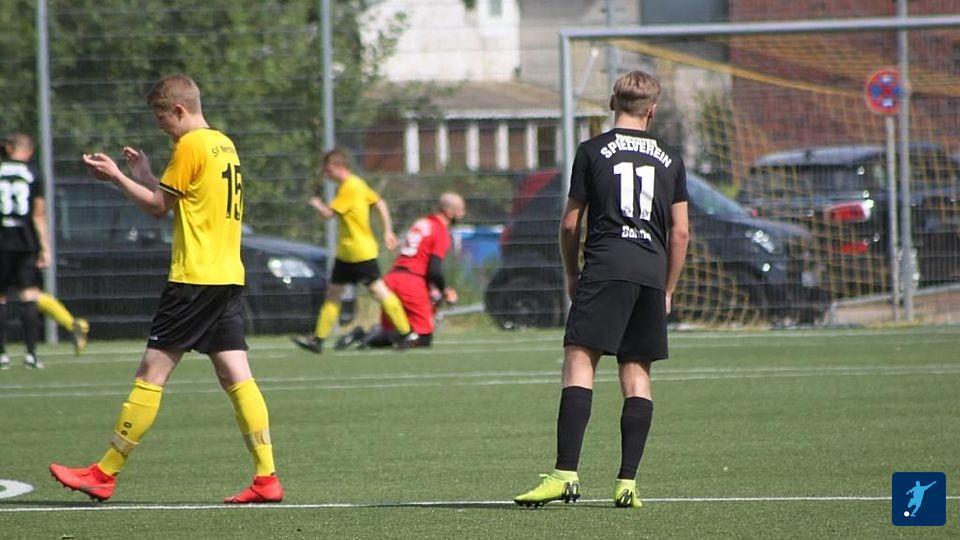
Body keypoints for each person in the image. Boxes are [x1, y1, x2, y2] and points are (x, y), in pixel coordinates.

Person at [49, 74, 283, 504]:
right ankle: (267, 477)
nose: (163, 129)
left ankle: (104, 473)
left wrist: (117, 177)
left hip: (193, 280)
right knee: (237, 376)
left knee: (150, 374)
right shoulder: (222, 143)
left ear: (179, 110)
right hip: (227, 277)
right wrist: (145, 174)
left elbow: (159, 208)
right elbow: (183, 198)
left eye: (163, 120)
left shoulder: (190, 145)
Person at [514, 70, 689, 508]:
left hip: (606, 267)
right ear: (652, 110)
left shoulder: (592, 151)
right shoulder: (670, 158)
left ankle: (565, 474)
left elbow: (570, 223)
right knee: (637, 371)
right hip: (650, 273)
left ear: (613, 103)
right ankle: (627, 483)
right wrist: (667, 287)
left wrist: (572, 272)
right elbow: (682, 232)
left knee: (579, 360)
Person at [291, 149, 415, 354]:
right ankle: (318, 339)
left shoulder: (350, 187)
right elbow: (380, 202)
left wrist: (316, 203)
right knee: (333, 293)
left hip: (359, 252)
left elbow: (328, 214)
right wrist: (388, 231)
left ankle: (406, 332)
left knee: (378, 291)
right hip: (346, 253)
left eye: (328, 170)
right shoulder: (357, 183)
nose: (326, 174)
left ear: (339, 166)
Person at [336, 192, 466, 350]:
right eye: (461, 210)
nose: (463, 214)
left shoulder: (422, 222)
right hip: (411, 281)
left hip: (393, 277)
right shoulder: (440, 230)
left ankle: (362, 336)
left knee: (394, 329)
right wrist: (444, 291)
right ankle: (367, 338)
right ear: (449, 211)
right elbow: (434, 271)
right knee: (423, 338)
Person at [0, 133, 50, 369]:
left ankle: (2, 354)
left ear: (10, 148)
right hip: (25, 242)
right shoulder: (33, 173)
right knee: (29, 295)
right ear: (29, 151)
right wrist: (45, 248)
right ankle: (31, 354)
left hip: (2, 240)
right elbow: (38, 214)